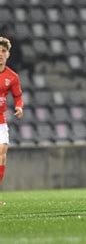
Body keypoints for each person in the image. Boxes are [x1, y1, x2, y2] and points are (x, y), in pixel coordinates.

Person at [0, 37, 24, 206]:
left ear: (8, 54)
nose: (0, 55)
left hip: (0, 121)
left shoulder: (12, 77)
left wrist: (19, 107)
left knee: (2, 155)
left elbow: (18, 96)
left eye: (3, 51)